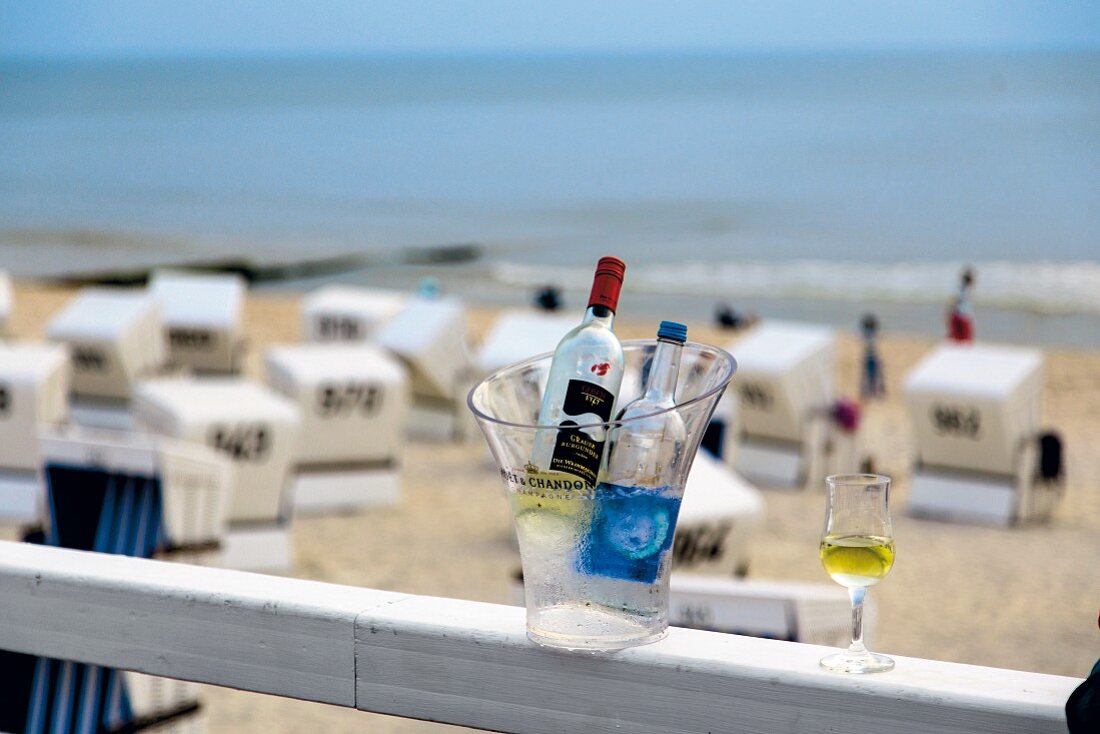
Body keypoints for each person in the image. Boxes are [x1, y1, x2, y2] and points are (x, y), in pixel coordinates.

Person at [947, 266, 975, 342]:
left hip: (960, 315)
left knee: (958, 338)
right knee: (964, 338)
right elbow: (955, 301)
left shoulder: (963, 289)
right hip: (962, 316)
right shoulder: (964, 289)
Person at [860, 313, 885, 399]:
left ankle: (869, 391)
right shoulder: (872, 335)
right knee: (875, 375)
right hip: (873, 356)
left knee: (868, 375)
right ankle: (875, 392)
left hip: (869, 356)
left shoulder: (866, 335)